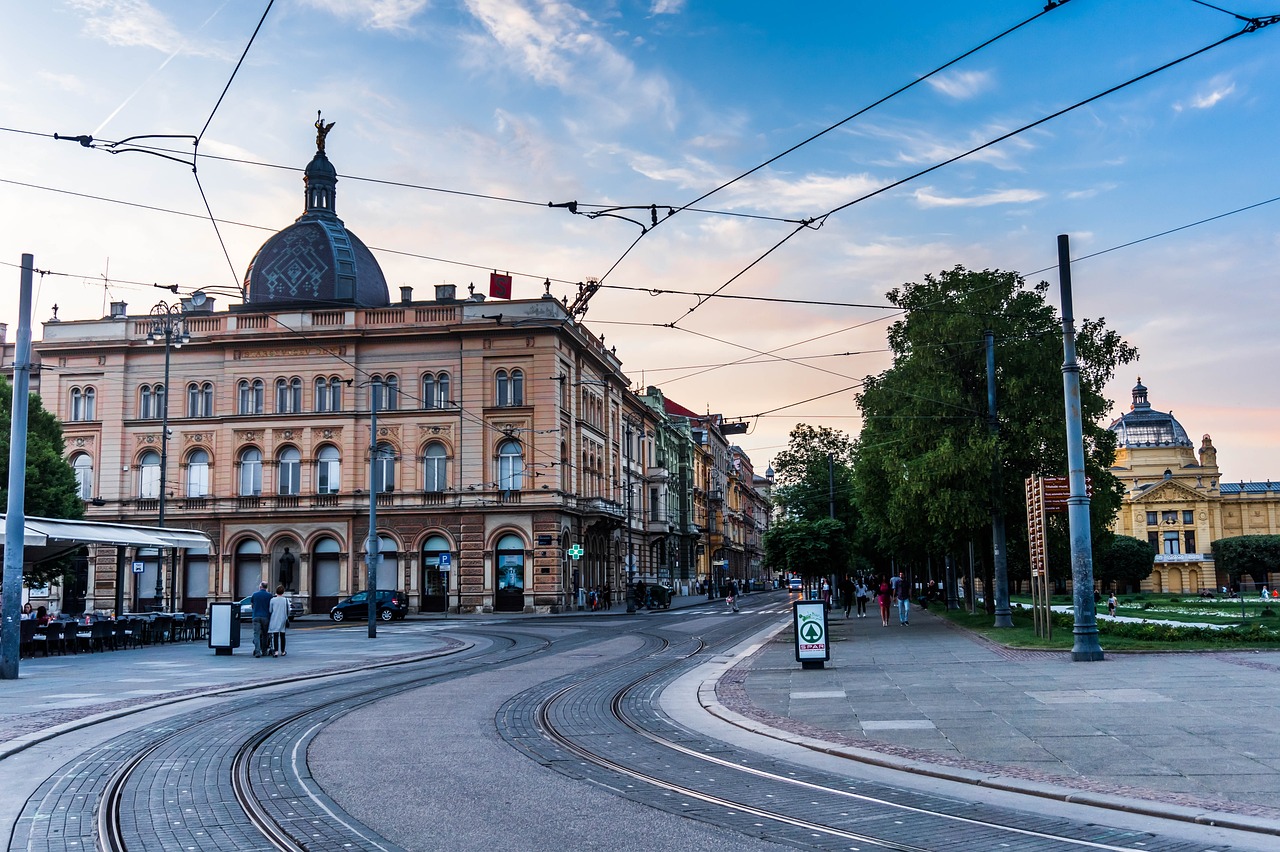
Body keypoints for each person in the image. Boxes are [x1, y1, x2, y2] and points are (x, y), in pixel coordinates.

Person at [251, 581, 273, 658]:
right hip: (265, 617)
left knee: (256, 634)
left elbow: (252, 605)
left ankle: (257, 651)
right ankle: (264, 651)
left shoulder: (255, 595)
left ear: (260, 587)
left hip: (256, 616)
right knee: (265, 635)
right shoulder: (270, 595)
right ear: (266, 587)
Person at [268, 584, 289, 657]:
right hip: (283, 618)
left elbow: (270, 610)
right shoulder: (285, 600)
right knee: (283, 636)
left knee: (275, 635)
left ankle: (276, 651)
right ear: (283, 592)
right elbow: (288, 610)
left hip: (274, 618)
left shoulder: (272, 600)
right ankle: (283, 651)